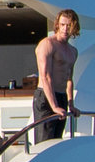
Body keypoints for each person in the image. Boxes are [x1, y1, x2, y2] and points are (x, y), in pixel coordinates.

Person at [33, 9, 82, 141]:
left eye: (68, 25)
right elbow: (45, 76)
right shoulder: (48, 44)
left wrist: (71, 103)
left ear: (74, 27)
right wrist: (54, 106)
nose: (65, 29)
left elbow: (69, 79)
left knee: (56, 141)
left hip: (62, 96)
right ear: (57, 25)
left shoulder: (73, 51)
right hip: (46, 96)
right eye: (62, 25)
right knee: (44, 142)